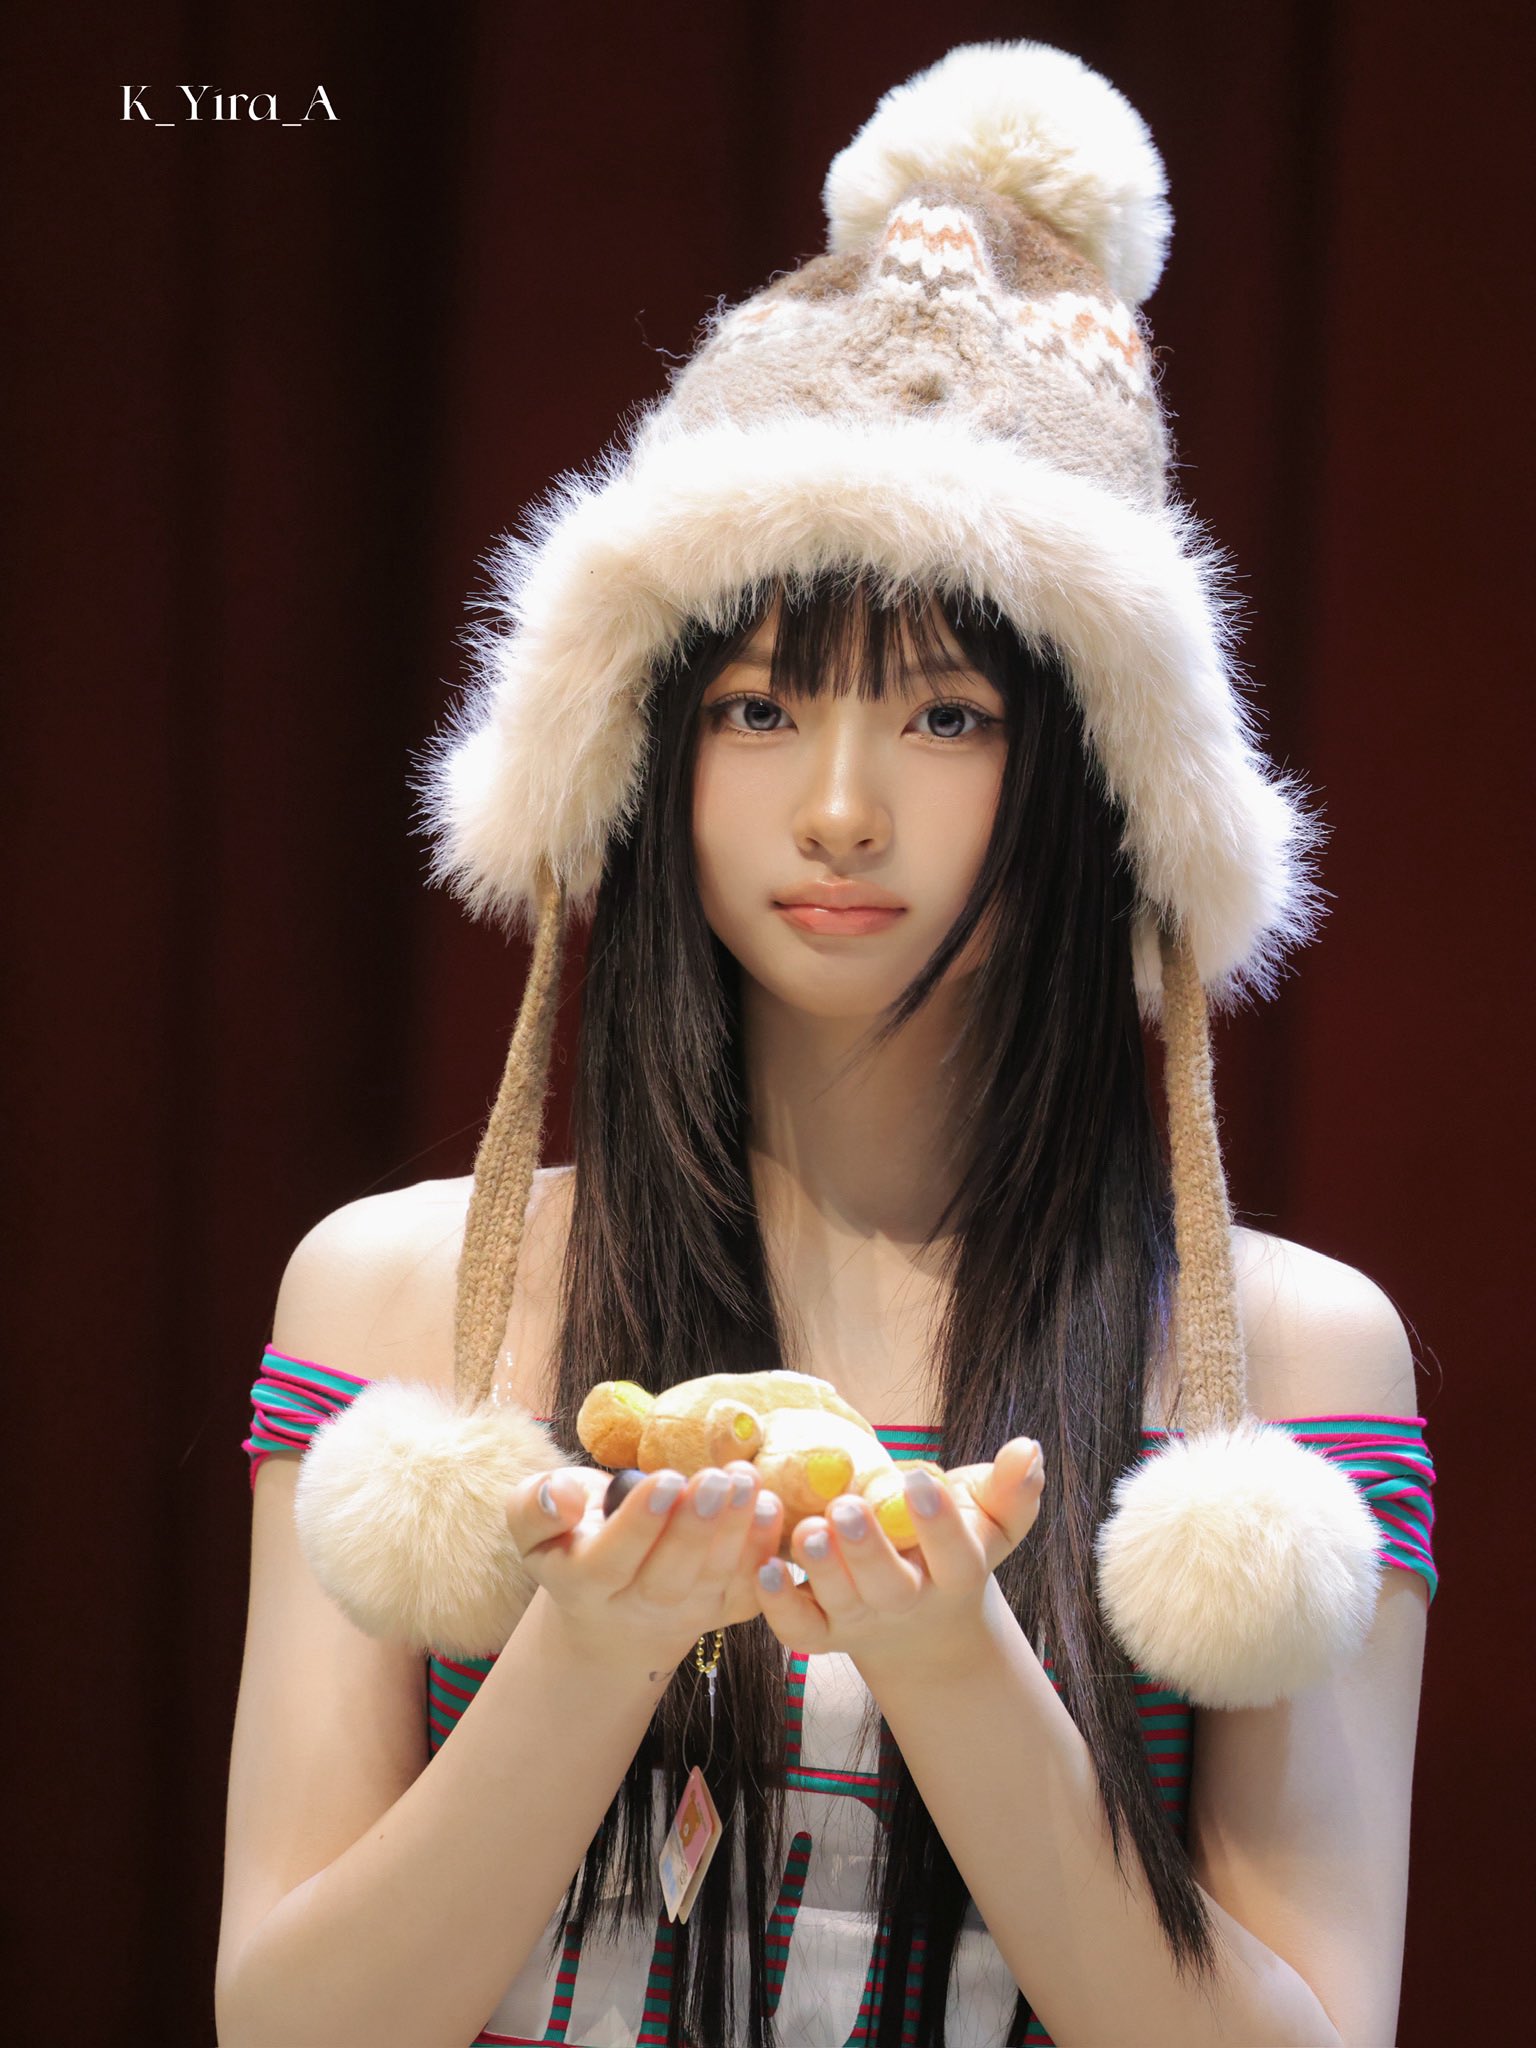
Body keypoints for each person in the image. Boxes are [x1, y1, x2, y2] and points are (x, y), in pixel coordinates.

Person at [214, 39, 1439, 2048]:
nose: (842, 808)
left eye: (948, 714)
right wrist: (589, 1651)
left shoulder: (1282, 1363)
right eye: (759, 709)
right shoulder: (406, 1298)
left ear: (1092, 781)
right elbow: (288, 2024)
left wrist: (958, 1668)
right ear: (646, 755)